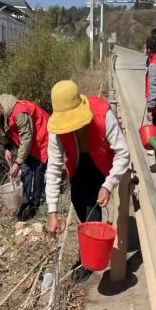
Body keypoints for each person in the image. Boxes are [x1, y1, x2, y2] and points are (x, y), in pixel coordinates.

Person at [45, 80, 130, 283]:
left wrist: (108, 184)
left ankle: (90, 257)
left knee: (94, 208)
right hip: (78, 164)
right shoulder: (56, 130)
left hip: (102, 163)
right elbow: (54, 169)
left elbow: (123, 154)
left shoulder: (102, 115)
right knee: (79, 201)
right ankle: (88, 245)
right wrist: (52, 212)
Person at [0, 94, 50, 221]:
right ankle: (26, 201)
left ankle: (36, 204)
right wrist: (7, 148)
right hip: (29, 141)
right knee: (27, 170)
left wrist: (18, 162)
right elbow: (4, 129)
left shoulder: (19, 113)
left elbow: (26, 139)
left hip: (42, 136)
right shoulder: (1, 114)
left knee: (38, 170)